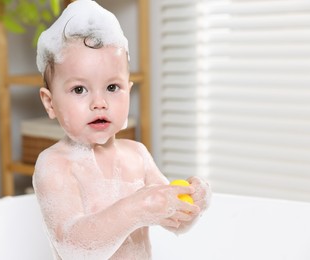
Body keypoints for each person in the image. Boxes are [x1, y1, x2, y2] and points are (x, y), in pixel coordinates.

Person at [33, 0, 211, 259]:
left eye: (112, 87)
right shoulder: (55, 165)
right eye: (79, 89)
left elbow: (176, 222)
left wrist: (195, 202)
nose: (99, 103)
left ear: (128, 91)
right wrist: (137, 208)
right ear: (50, 103)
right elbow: (72, 246)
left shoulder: (137, 155)